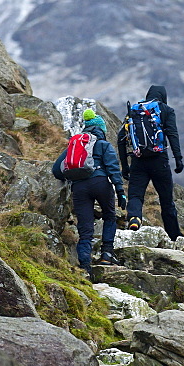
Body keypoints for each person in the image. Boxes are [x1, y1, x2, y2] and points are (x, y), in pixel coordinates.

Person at [52, 108, 126, 276]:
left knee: (85, 229)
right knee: (109, 216)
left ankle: (85, 267)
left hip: (79, 188)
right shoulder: (103, 145)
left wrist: (72, 177)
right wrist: (120, 191)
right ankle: (107, 253)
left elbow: (56, 170)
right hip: (101, 183)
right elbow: (113, 169)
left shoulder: (74, 145)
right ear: (101, 129)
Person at [119, 85, 183, 240]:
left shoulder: (134, 111)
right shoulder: (166, 110)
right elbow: (172, 134)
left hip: (138, 161)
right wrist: (178, 159)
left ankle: (134, 218)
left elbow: (121, 139)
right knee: (166, 200)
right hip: (159, 160)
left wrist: (125, 166)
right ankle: (174, 236)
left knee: (135, 195)